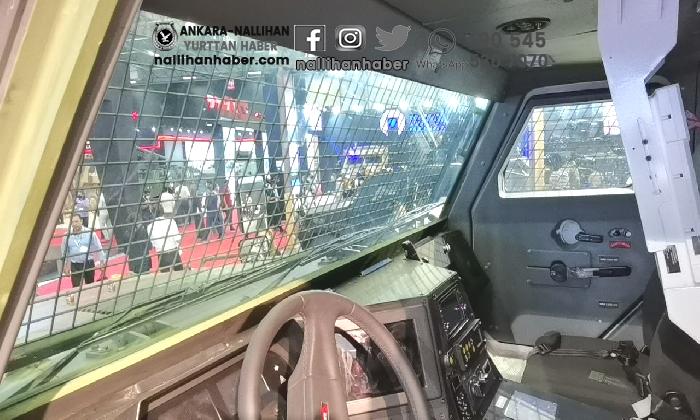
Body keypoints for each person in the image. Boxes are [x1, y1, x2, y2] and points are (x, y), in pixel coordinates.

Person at [61, 214, 104, 304]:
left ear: (81, 221)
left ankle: (91, 302)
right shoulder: (67, 236)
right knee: (76, 287)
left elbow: (98, 247)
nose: (74, 224)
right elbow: (64, 252)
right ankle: (79, 305)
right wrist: (65, 266)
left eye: (76, 221)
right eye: (72, 222)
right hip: (75, 265)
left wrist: (102, 261)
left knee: (90, 286)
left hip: (88, 263)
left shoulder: (90, 233)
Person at [147, 205, 184, 273]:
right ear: (163, 211)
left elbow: (152, 243)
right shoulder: (171, 222)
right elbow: (178, 239)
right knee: (180, 274)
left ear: (152, 213)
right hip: (173, 252)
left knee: (164, 276)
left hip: (161, 255)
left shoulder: (149, 227)